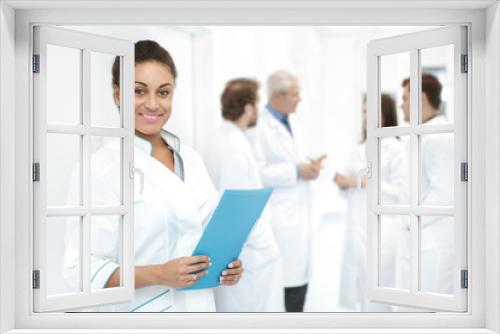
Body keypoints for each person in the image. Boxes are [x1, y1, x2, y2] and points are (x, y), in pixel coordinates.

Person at [63, 40, 243, 312]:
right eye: (138, 91)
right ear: (117, 94)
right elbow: (80, 268)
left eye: (163, 92)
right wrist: (159, 274)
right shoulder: (99, 167)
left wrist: (226, 266)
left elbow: (207, 236)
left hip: (199, 308)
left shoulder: (192, 159)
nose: (152, 104)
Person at [247, 70, 325, 312]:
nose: (299, 99)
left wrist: (309, 166)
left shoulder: (291, 122)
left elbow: (292, 159)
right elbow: (256, 171)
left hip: (299, 211)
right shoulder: (258, 126)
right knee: (283, 283)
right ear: (278, 96)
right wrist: (295, 171)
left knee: (299, 278)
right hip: (279, 216)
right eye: (295, 94)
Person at [204, 78, 284, 312]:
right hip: (248, 255)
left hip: (233, 250)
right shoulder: (234, 147)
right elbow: (237, 207)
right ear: (248, 108)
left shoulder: (218, 137)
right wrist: (266, 246)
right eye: (257, 104)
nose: (258, 110)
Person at [334, 94, 405, 312]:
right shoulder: (359, 148)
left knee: (380, 291)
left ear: (386, 114)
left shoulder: (395, 148)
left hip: (385, 229)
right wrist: (344, 184)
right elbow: (350, 189)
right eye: (364, 112)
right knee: (361, 288)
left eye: (372, 112)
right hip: (357, 226)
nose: (366, 117)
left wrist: (364, 181)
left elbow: (401, 192)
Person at [399, 73, 454, 295]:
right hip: (420, 238)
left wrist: (412, 223)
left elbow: (444, 193)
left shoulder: (439, 136)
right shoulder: (422, 134)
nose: (401, 105)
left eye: (404, 98)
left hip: (431, 241)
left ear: (420, 99)